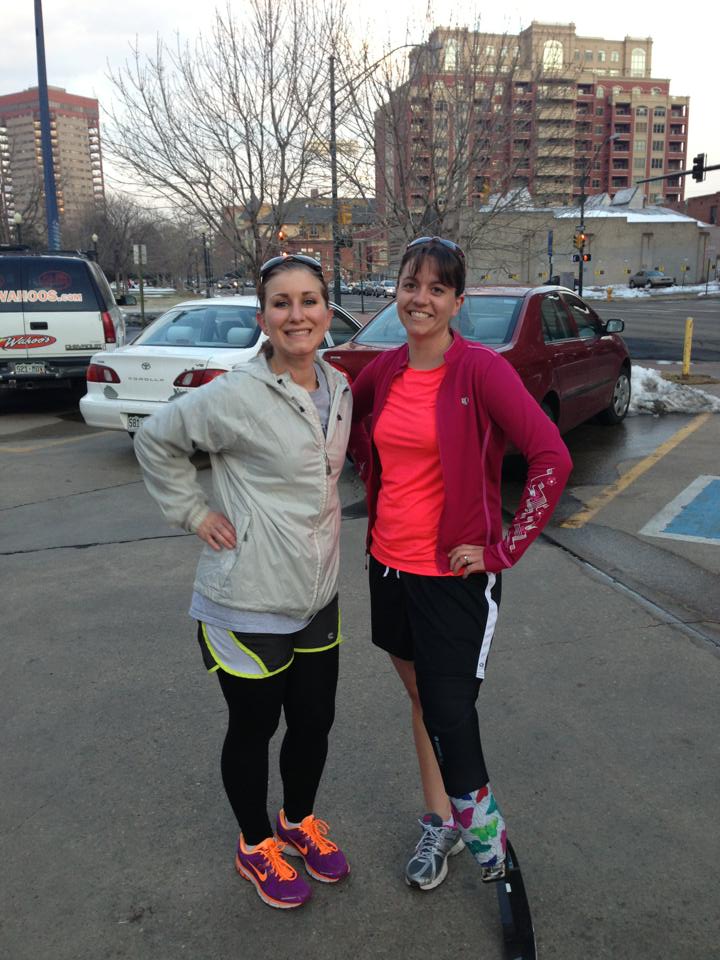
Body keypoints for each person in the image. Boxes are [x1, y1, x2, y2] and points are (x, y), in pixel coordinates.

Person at [350, 237, 573, 891]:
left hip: (455, 580)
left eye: (436, 288)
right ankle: (439, 819)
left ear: (456, 301)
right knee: (420, 699)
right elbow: (341, 419)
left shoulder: (480, 371)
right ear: (396, 290)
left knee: (450, 713)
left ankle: (494, 856)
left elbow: (550, 457)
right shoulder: (385, 371)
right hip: (388, 567)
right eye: (410, 284)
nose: (420, 298)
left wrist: (504, 549)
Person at [134, 254, 352, 910]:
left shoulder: (339, 388)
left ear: (325, 311)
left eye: (309, 300)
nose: (297, 314)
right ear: (263, 318)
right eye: (281, 303)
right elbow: (156, 439)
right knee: (255, 727)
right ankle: (256, 844)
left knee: (314, 722)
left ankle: (296, 821)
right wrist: (195, 512)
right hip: (247, 601)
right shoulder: (234, 394)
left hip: (318, 593)